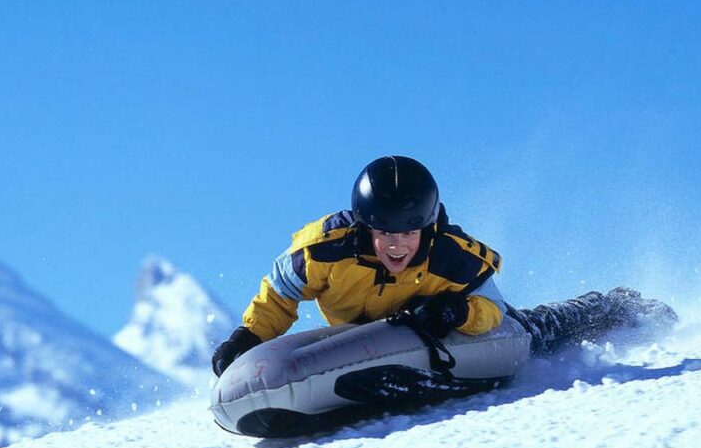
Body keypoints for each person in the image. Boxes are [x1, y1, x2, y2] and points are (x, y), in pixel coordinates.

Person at [211, 155, 510, 376]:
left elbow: (494, 306)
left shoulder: (450, 257)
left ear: (427, 228)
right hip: (359, 342)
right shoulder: (325, 249)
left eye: (408, 233)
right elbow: (280, 294)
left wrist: (457, 312)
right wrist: (249, 336)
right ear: (367, 227)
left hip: (431, 335)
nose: (397, 245)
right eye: (385, 234)